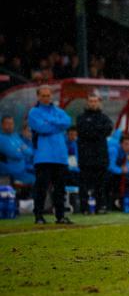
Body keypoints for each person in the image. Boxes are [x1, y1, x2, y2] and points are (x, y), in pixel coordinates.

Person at [28, 85, 74, 224]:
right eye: (43, 95)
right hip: (43, 156)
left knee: (60, 189)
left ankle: (60, 216)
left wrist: (50, 121)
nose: (46, 98)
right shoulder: (34, 112)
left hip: (60, 156)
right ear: (38, 96)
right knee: (41, 188)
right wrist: (57, 125)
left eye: (48, 95)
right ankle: (38, 215)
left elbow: (67, 122)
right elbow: (41, 128)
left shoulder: (58, 111)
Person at [76, 94, 113, 214]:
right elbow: (84, 131)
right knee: (85, 184)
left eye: (95, 101)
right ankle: (84, 207)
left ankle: (100, 206)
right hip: (85, 157)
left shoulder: (104, 118)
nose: (93, 103)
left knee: (101, 184)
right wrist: (98, 131)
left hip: (101, 156)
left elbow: (108, 129)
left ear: (99, 102)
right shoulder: (81, 118)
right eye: (91, 101)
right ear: (87, 102)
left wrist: (94, 130)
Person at [0, 115, 35, 185]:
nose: (10, 126)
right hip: (11, 174)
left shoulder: (15, 136)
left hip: (23, 170)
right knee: (36, 180)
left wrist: (20, 150)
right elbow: (15, 155)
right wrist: (22, 150)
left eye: (11, 123)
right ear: (2, 125)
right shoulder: (1, 138)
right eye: (7, 124)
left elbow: (30, 151)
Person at [107, 132, 129, 210]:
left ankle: (122, 200)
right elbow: (110, 166)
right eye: (126, 144)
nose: (128, 147)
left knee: (128, 177)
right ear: (121, 144)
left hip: (116, 173)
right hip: (107, 173)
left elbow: (127, 164)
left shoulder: (124, 152)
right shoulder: (113, 150)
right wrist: (121, 170)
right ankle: (112, 202)